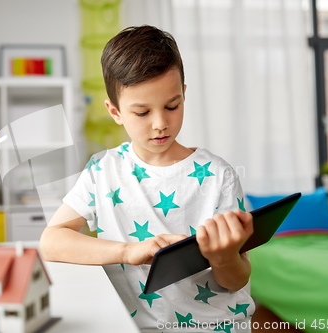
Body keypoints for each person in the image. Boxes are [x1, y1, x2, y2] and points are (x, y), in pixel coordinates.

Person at [40, 25, 255, 332]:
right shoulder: (103, 170)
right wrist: (128, 252)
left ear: (184, 93)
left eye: (172, 106)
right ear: (114, 111)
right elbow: (51, 241)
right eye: (142, 112)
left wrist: (222, 259)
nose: (160, 124)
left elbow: (236, 279)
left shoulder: (219, 175)